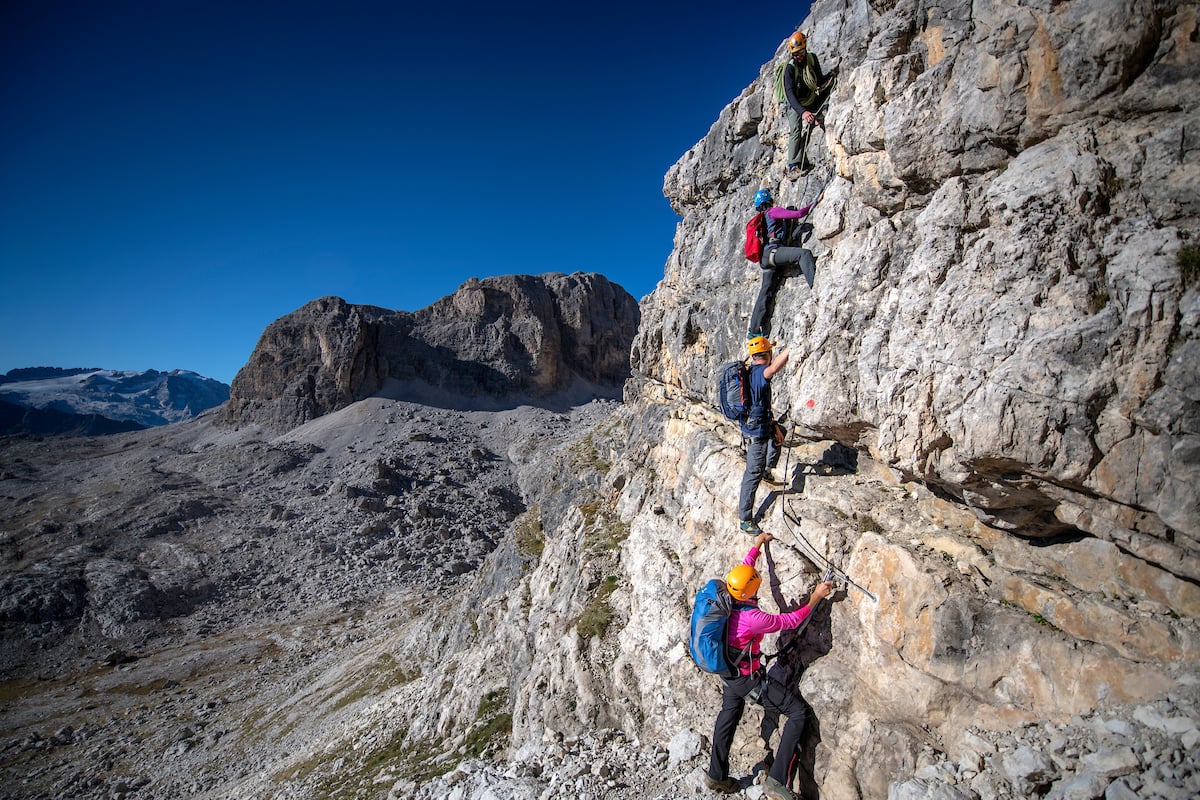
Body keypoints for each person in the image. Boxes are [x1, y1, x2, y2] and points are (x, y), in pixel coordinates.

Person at [705, 532, 834, 799]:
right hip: (746, 678)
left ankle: (716, 775)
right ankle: (777, 781)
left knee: (728, 715)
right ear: (751, 590)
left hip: (728, 673)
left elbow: (744, 570)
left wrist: (757, 545)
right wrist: (816, 596)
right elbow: (792, 620)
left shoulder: (727, 595)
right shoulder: (753, 618)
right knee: (798, 713)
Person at [748, 187, 816, 340]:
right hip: (774, 253)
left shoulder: (762, 220)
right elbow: (798, 214)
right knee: (804, 254)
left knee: (765, 292)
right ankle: (816, 289)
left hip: (766, 258)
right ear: (770, 200)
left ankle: (753, 330)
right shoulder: (773, 212)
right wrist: (815, 202)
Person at [739, 336, 789, 535]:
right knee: (752, 473)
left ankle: (768, 470)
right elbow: (773, 369)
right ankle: (745, 519)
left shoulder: (750, 372)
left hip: (759, 424)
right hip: (757, 432)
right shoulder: (760, 371)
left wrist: (775, 426)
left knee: (780, 433)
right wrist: (791, 349)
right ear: (768, 354)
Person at [781, 30, 836, 180]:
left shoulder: (811, 58)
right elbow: (789, 94)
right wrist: (803, 112)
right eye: (796, 54)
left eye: (801, 52)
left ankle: (819, 113)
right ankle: (793, 165)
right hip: (795, 104)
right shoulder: (790, 69)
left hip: (809, 98)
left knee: (829, 89)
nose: (799, 56)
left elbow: (818, 80)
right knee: (796, 130)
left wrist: (832, 77)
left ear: (805, 48)